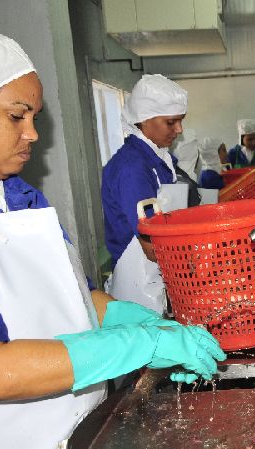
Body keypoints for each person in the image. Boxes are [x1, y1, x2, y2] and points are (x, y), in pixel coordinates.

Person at [0, 29, 226, 449]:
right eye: (16, 116)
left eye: (34, 116)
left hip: (76, 438)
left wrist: (139, 320)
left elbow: (76, 296)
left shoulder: (22, 198)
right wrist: (140, 344)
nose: (32, 134)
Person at [102, 74, 200, 313]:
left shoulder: (159, 159)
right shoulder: (132, 168)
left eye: (180, 121)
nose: (179, 129)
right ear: (144, 120)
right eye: (171, 122)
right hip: (140, 283)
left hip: (160, 275)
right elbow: (150, 245)